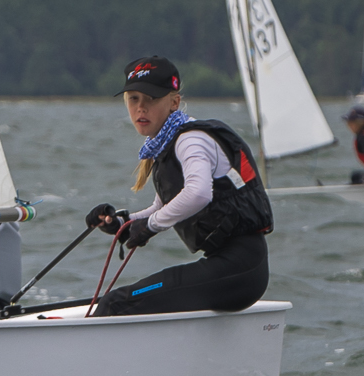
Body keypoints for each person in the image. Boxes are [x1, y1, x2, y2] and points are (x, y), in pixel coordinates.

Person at [82, 56, 272, 317]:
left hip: (239, 268)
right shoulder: (167, 143)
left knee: (115, 303)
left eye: (151, 99)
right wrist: (121, 224)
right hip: (232, 268)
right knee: (117, 301)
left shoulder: (190, 140)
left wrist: (149, 226)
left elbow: (199, 193)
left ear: (174, 102)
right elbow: (161, 207)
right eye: (133, 99)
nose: (140, 108)